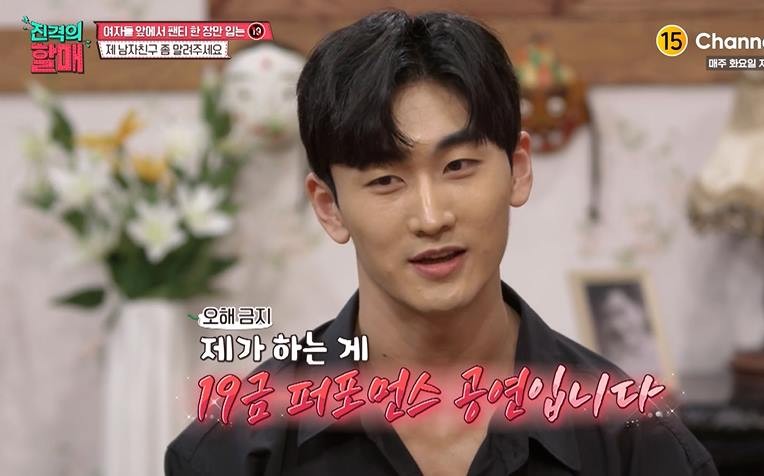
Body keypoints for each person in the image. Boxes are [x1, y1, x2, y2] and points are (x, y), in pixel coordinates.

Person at [165, 10, 718, 476]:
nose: (431, 218)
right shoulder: (233, 454)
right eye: (386, 180)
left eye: (458, 166)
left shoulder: (637, 445)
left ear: (518, 170)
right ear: (329, 207)